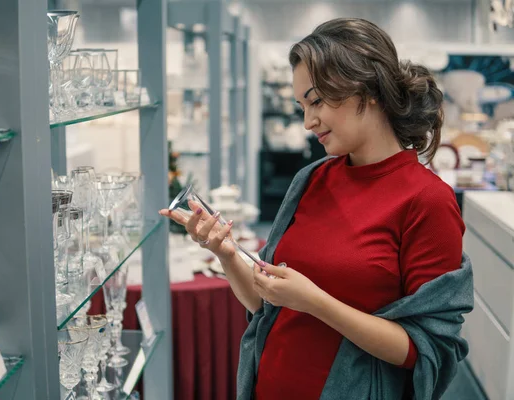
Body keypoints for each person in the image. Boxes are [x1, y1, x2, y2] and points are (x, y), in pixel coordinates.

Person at [160, 17, 473, 400]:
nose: (308, 122)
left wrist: (316, 302)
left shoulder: (427, 200)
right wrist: (226, 255)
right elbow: (266, 303)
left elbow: (426, 349)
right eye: (301, 106)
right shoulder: (312, 179)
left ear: (367, 90)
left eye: (317, 101)